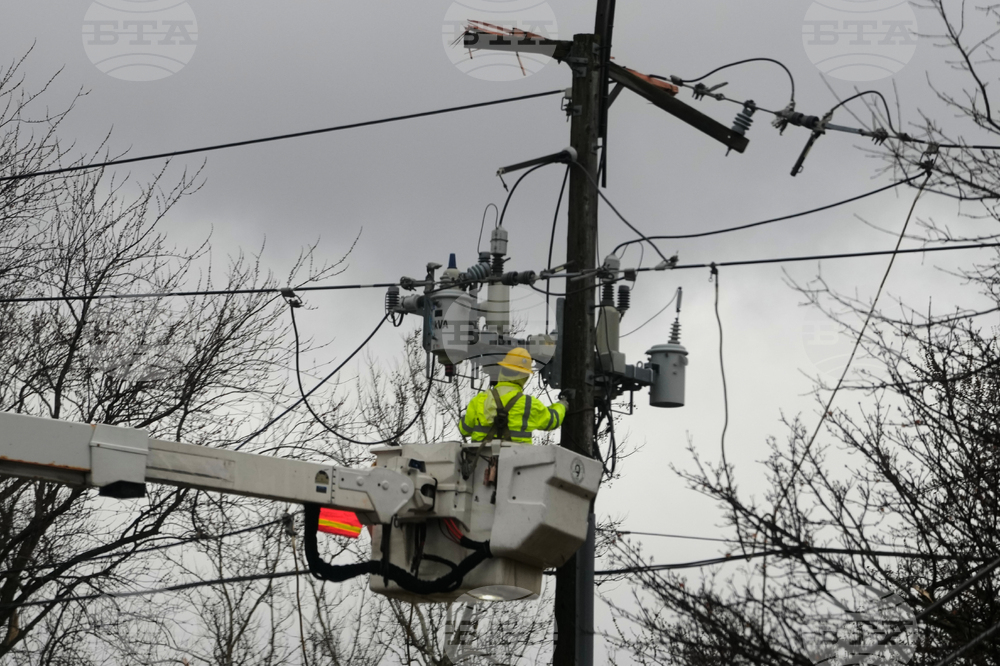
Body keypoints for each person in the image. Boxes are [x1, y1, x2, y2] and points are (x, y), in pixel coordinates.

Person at [458, 347, 568, 443]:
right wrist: (562, 404)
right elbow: (553, 420)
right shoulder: (528, 404)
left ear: (503, 369)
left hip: (481, 463)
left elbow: (464, 429)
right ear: (524, 375)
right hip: (518, 463)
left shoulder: (479, 400)